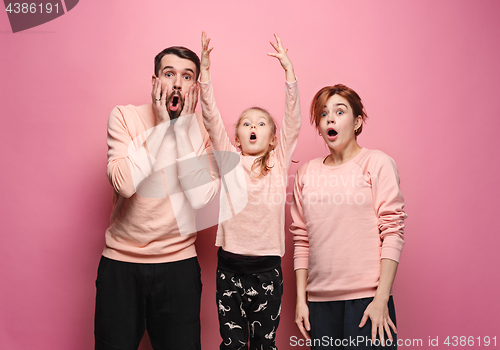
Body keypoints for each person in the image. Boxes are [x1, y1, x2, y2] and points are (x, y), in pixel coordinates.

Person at [94, 46, 220, 350]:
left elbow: (202, 198)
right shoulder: (124, 116)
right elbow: (124, 184)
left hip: (178, 266)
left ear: (195, 87)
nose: (177, 83)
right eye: (169, 74)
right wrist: (163, 128)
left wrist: (182, 132)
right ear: (155, 82)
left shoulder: (204, 130)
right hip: (121, 265)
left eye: (187, 76)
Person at [198, 32, 301, 350]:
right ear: (237, 139)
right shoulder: (229, 161)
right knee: (232, 344)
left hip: (268, 270)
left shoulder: (279, 161)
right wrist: (204, 75)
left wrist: (289, 75)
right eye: (246, 123)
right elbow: (212, 118)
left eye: (261, 123)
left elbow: (293, 121)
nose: (253, 126)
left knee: (264, 345)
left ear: (273, 138)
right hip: (230, 267)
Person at [291, 84, 406, 349]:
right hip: (319, 306)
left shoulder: (376, 163)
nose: (330, 118)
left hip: (367, 303)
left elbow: (392, 231)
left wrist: (381, 300)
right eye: (323, 114)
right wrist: (301, 301)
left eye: (339, 111)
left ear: (356, 122)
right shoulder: (305, 174)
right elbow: (302, 240)